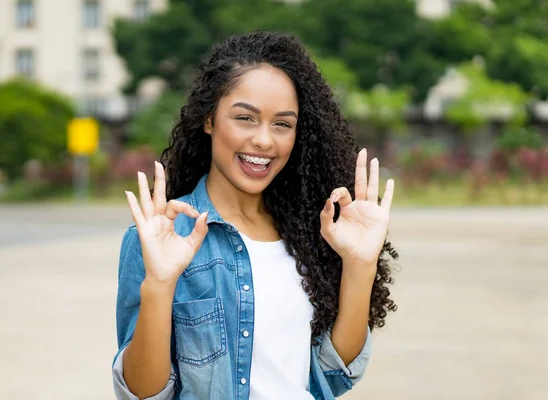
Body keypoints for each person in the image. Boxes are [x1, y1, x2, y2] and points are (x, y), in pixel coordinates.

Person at [112, 30, 398, 400]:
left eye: (282, 124)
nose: (265, 140)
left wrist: (361, 264)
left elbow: (333, 376)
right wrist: (159, 285)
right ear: (209, 119)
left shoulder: (311, 232)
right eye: (246, 118)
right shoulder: (160, 237)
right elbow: (142, 393)